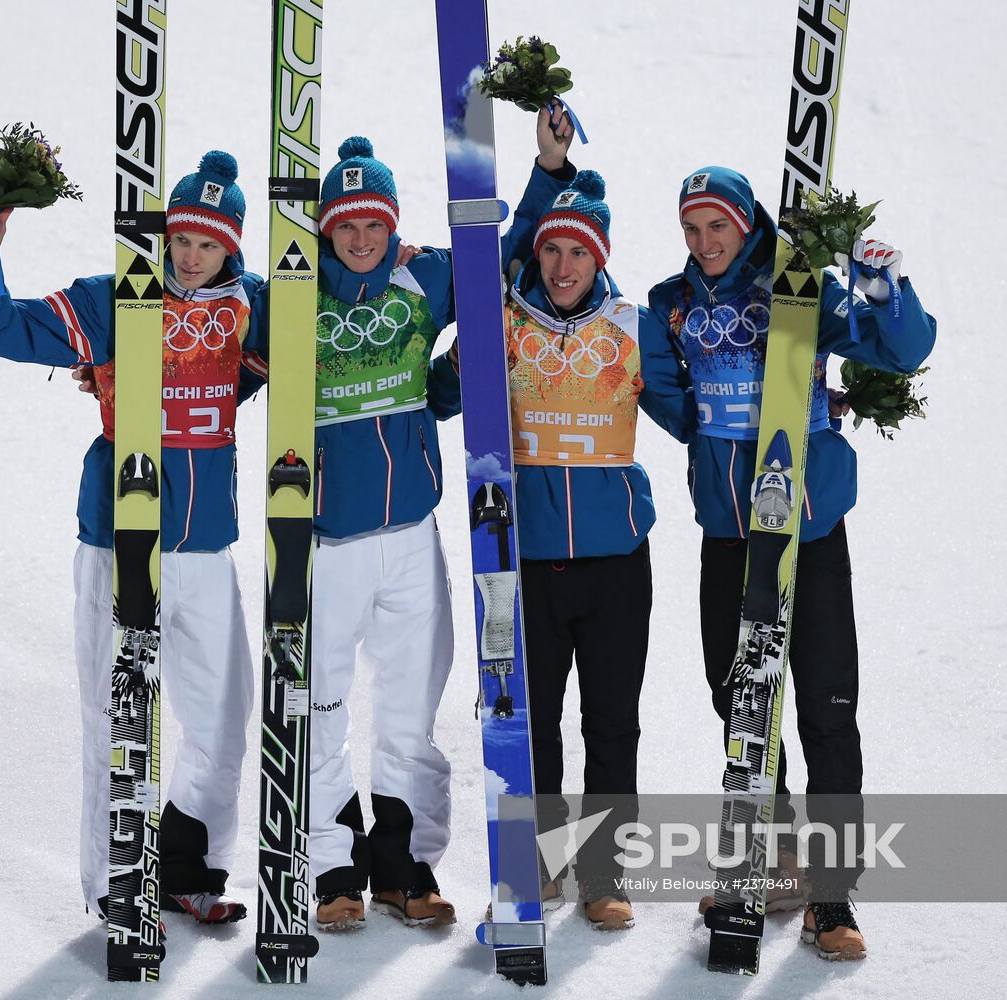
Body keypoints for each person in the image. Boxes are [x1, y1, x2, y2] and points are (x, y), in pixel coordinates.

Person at [248, 113, 574, 933]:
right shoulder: (289, 295)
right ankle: (331, 867)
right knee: (319, 706)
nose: (361, 240)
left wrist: (547, 171)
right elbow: (210, 333)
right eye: (346, 227)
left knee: (407, 713)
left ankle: (403, 866)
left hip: (409, 540)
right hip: (323, 544)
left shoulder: (421, 277)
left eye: (374, 226)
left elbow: (503, 259)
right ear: (325, 231)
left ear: (392, 226)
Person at [0, 151, 266, 926]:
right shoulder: (116, 298)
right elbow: (1, 326)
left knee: (223, 721)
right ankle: (115, 881)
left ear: (231, 248)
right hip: (118, 540)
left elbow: (323, 331)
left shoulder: (255, 307)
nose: (190, 256)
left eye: (208, 244)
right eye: (181, 239)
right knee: (116, 719)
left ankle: (189, 868)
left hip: (206, 547)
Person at [645, 166, 937, 960]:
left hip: (808, 535)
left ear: (746, 225)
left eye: (718, 226)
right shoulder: (669, 305)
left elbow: (901, 349)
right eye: (691, 228)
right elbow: (666, 398)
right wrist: (726, 425)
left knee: (825, 710)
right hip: (730, 534)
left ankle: (832, 897)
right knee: (738, 701)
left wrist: (879, 289)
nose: (704, 241)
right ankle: (772, 863)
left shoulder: (798, 288)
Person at [438, 165, 692, 930]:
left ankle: (604, 874)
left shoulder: (631, 326)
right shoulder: (504, 323)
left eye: (578, 252)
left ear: (598, 257)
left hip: (616, 561)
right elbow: (446, 395)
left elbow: (688, 417)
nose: (561, 265)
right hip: (525, 559)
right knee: (529, 720)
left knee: (611, 722)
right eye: (551, 249)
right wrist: (459, 362)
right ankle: (536, 867)